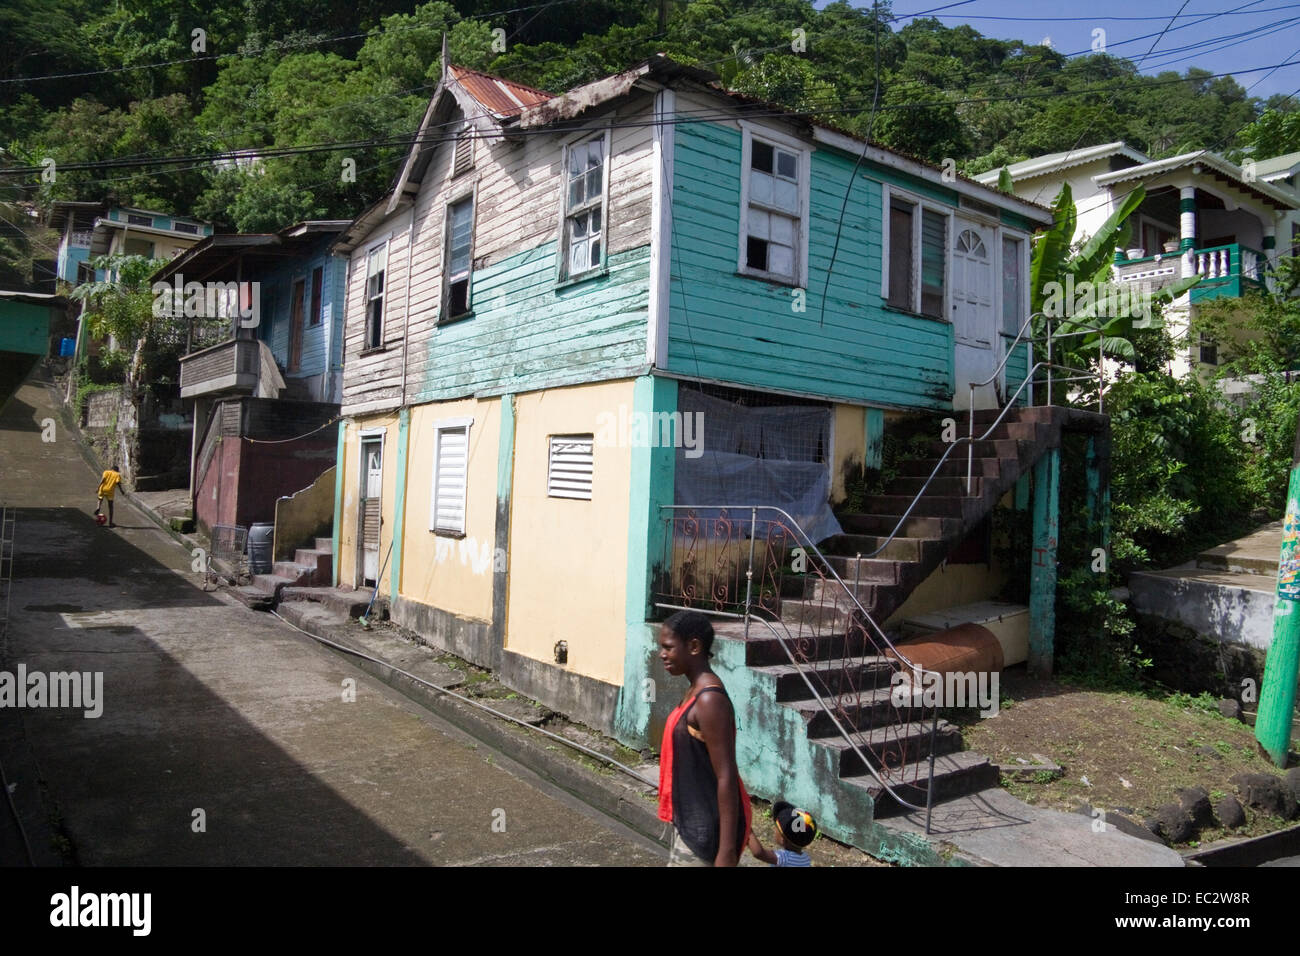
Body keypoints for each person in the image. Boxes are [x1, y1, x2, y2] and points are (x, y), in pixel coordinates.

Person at [656, 610, 751, 867]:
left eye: (668, 647)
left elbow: (726, 775)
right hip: (689, 821)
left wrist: (726, 851)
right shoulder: (693, 690)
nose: (662, 654)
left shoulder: (709, 700)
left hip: (705, 831)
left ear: (694, 646)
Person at [747, 801, 817, 867]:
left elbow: (759, 853)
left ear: (782, 839)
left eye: (776, 828)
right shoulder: (805, 858)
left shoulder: (785, 857)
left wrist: (748, 830)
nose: (774, 829)